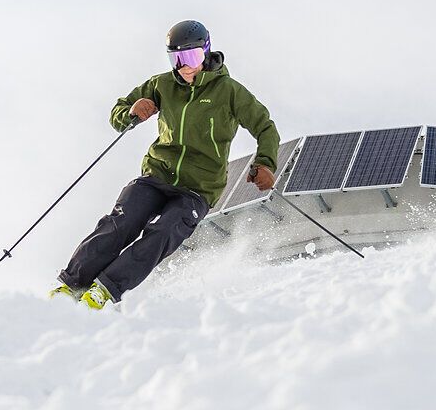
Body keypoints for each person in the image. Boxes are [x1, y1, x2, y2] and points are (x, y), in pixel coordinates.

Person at [51, 19, 280, 308]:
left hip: (198, 188)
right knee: (122, 222)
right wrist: (131, 112)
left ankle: (105, 290)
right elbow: (118, 112)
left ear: (206, 53)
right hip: (157, 174)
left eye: (192, 57)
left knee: (163, 233)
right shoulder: (162, 85)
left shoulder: (230, 92)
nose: (185, 66)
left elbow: (265, 127)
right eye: (177, 58)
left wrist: (266, 163)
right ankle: (72, 284)